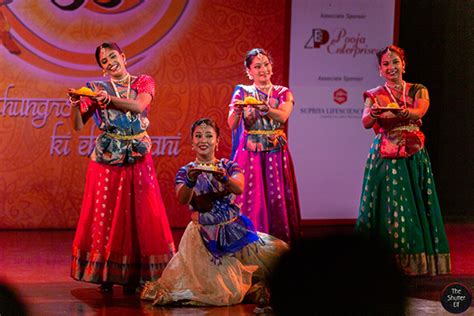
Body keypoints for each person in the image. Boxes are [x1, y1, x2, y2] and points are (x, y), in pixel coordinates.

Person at [140, 118, 289, 307]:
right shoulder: (186, 171)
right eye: (198, 136)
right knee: (226, 290)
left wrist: (224, 178)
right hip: (204, 238)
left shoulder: (228, 166)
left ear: (217, 141)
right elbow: (182, 198)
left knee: (281, 254)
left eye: (209, 136)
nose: (204, 140)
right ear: (192, 142)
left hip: (235, 232)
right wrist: (191, 180)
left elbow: (239, 188)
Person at [68, 42, 175, 294]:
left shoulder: (143, 81)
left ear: (124, 57)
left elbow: (138, 106)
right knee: (106, 213)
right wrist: (75, 103)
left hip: (137, 153)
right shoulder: (95, 89)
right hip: (107, 157)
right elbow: (76, 125)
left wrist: (109, 100)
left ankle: (137, 273)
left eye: (113, 56)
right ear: (103, 69)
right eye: (104, 61)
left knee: (141, 211)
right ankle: (106, 272)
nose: (110, 62)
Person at [355, 45, 451, 275]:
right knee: (387, 204)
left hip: (412, 153)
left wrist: (402, 113)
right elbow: (366, 121)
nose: (391, 67)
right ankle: (383, 262)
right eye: (386, 64)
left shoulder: (418, 90)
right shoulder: (374, 94)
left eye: (395, 62)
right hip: (385, 155)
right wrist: (376, 113)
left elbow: (420, 111)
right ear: (380, 69)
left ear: (404, 64)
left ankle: (415, 261)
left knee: (413, 201)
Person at [227, 48, 301, 244]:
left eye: (266, 65)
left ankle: (277, 248)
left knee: (275, 199)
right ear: (249, 71)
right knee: (252, 201)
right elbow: (231, 124)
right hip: (250, 153)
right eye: (257, 66)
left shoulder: (282, 92)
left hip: (275, 152)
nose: (263, 70)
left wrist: (266, 108)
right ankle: (248, 245)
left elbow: (283, 116)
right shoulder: (242, 91)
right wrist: (238, 109)